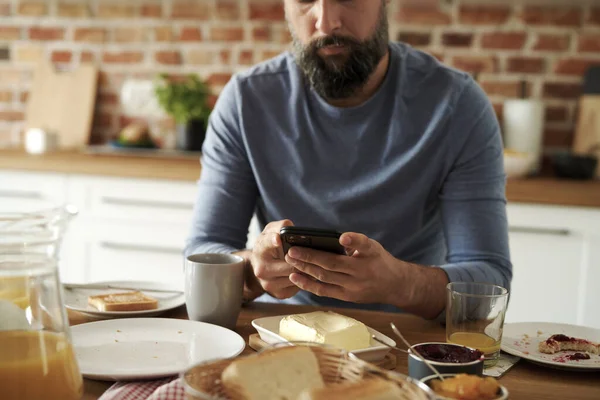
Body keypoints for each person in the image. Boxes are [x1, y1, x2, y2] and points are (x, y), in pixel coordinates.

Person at [184, 0, 512, 320]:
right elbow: (201, 255)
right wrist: (255, 271)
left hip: (412, 344)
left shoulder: (457, 105)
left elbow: (489, 282)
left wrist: (399, 283)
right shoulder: (245, 102)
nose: (326, 22)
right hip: (282, 337)